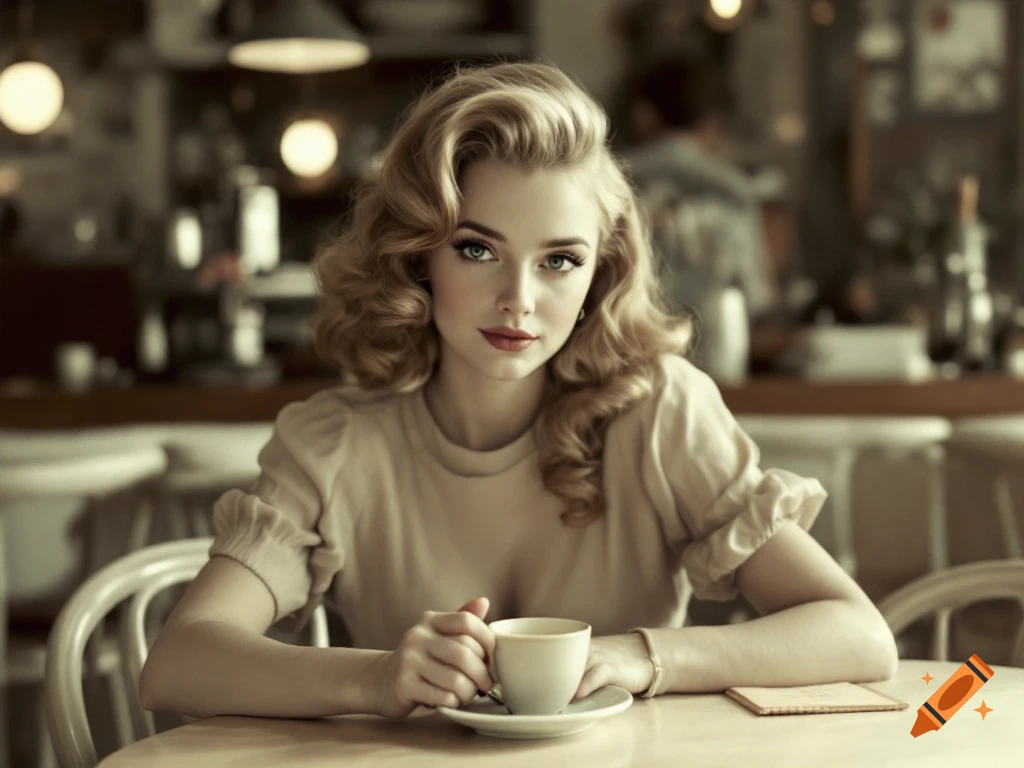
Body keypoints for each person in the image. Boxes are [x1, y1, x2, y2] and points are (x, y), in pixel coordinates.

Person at [139, 61, 897, 721]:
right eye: (478, 249)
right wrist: (373, 677)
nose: (519, 300)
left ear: (599, 271)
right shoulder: (333, 441)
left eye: (559, 261)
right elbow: (179, 662)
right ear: (417, 254)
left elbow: (857, 634)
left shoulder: (660, 409)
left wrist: (643, 657)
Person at [623, 55, 776, 323]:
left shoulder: (609, 181)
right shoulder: (736, 192)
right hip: (716, 347)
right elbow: (755, 296)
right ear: (711, 122)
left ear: (643, 115)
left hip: (624, 343)